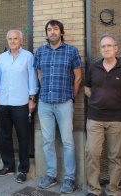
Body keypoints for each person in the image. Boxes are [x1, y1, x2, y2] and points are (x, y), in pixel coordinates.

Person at [34, 19, 82, 194]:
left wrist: (71, 96)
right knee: (47, 141)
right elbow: (39, 74)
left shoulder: (71, 51)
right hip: (45, 103)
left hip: (64, 103)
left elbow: (78, 77)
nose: (52, 32)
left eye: (55, 29)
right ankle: (51, 175)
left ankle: (69, 179)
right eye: (49, 29)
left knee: (67, 142)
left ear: (61, 32)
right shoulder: (40, 51)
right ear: (46, 33)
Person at [84, 34, 121, 196]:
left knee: (115, 156)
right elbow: (87, 89)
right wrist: (96, 101)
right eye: (103, 46)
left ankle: (113, 190)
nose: (106, 49)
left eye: (109, 46)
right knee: (92, 153)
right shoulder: (94, 67)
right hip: (94, 118)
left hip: (116, 119)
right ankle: (94, 189)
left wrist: (118, 104)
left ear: (116, 48)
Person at [0, 30, 38, 183]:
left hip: (21, 103)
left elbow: (32, 79)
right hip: (4, 102)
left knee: (23, 137)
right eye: (10, 39)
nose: (12, 41)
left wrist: (32, 99)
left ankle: (23, 169)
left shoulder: (28, 57)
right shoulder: (2, 58)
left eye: (15, 39)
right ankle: (8, 166)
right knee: (4, 136)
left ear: (21, 41)